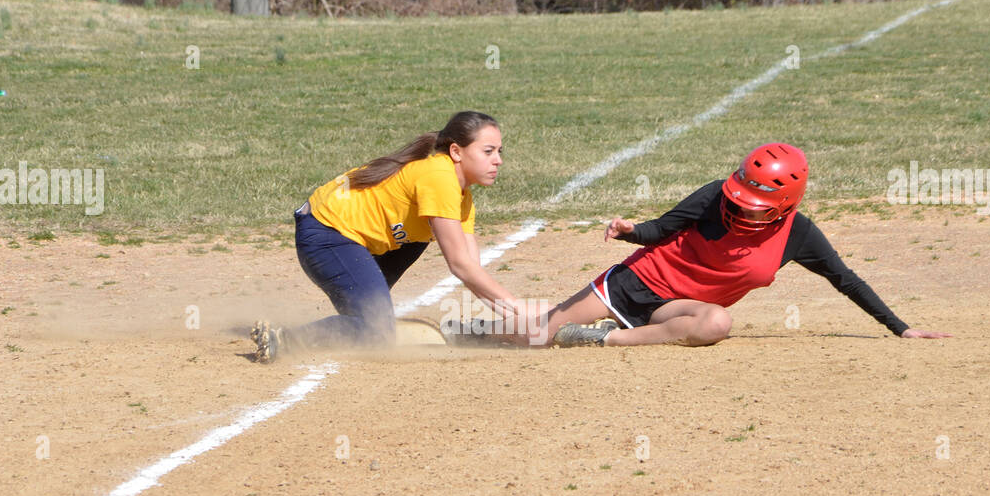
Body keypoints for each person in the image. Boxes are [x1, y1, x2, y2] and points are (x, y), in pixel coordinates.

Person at [535, 142, 952, 347]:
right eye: (738, 196)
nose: (739, 207)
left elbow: (845, 279)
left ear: (785, 204)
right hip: (634, 282)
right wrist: (630, 232)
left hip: (681, 309)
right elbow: (662, 229)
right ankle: (474, 332)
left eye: (753, 205)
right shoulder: (716, 195)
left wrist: (901, 328)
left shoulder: (798, 234)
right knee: (540, 334)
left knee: (717, 325)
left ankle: (603, 340)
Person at [251, 111, 527, 362]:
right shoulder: (439, 177)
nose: (498, 160)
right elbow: (460, 265)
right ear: (456, 151)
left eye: (500, 151)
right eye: (488, 151)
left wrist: (512, 317)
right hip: (327, 233)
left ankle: (361, 321)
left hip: (349, 238)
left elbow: (471, 270)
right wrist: (520, 310)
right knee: (376, 330)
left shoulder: (462, 198)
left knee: (372, 319)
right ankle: (287, 339)